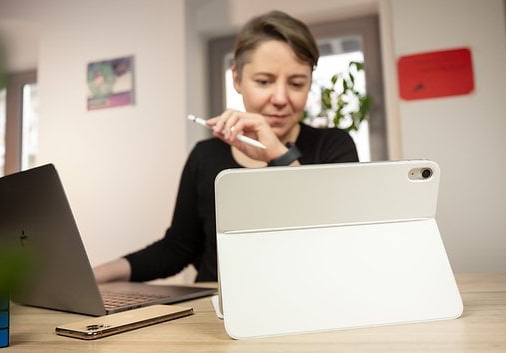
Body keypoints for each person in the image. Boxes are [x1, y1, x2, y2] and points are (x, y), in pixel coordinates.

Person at [94, 10, 359, 283]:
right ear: (237, 79)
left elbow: (338, 238)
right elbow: (176, 249)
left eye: (296, 83)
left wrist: (278, 155)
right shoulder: (204, 156)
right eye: (264, 81)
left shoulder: (333, 146)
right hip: (213, 308)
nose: (280, 98)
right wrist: (93, 276)